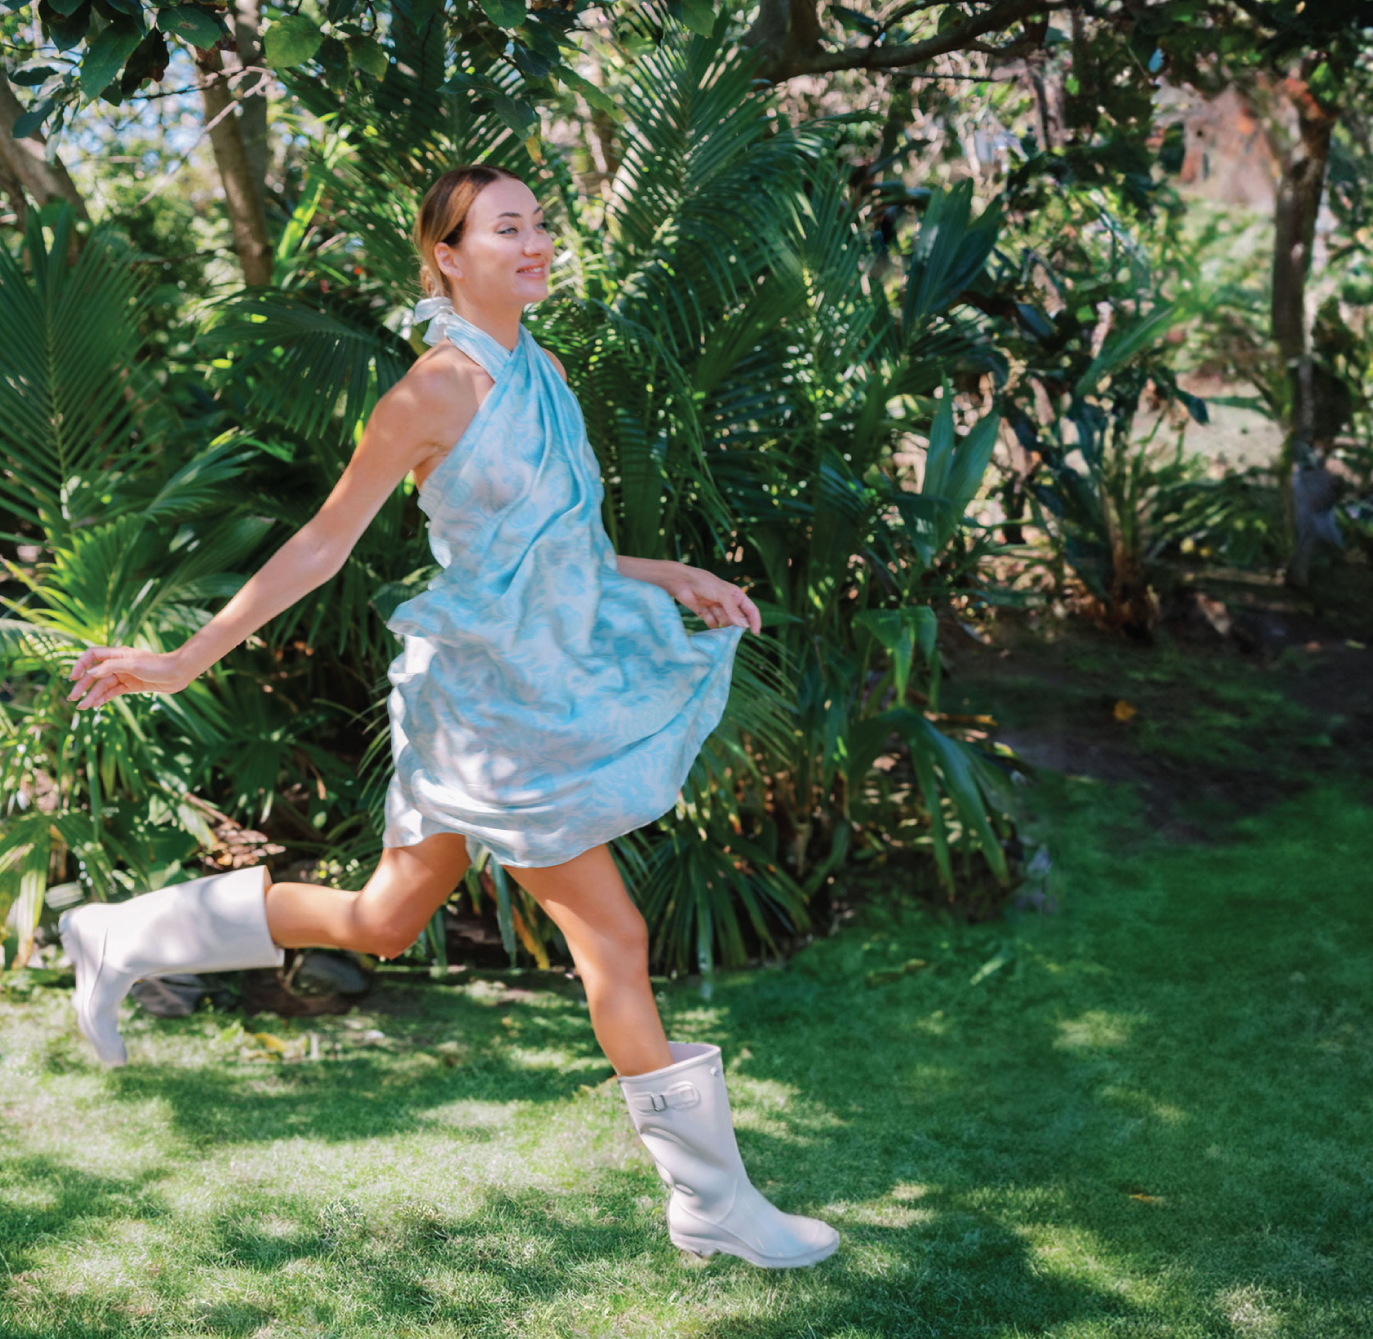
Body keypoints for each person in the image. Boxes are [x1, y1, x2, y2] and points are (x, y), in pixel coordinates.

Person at [59, 164, 839, 1270]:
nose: (535, 242)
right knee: (612, 933)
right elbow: (321, 543)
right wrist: (182, 660)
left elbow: (560, 550)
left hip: (535, 683)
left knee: (382, 919)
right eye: (507, 227)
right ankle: (711, 1201)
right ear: (447, 255)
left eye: (540, 223)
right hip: (482, 708)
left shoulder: (547, 370)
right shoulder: (431, 392)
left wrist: (668, 573)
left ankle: (119, 935)